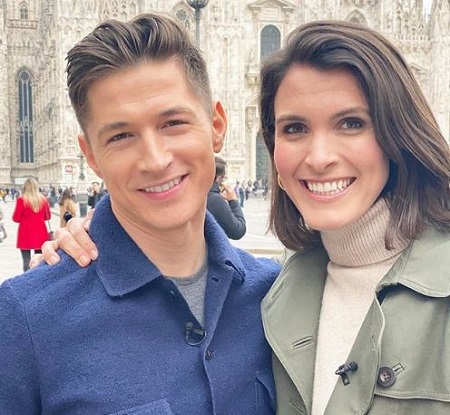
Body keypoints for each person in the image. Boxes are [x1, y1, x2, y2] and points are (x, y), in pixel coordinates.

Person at [0, 13, 280, 415]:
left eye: (173, 122)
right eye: (121, 136)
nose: (155, 159)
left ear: (217, 125)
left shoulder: (275, 295)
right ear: (91, 155)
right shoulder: (27, 318)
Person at [259, 20, 450, 414]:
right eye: (294, 128)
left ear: (398, 134)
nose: (319, 158)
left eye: (351, 124)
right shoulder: (274, 291)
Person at [11, 177, 51, 271]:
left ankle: (27, 277)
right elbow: (48, 217)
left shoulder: (21, 200)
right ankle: (39, 276)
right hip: (40, 232)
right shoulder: (43, 200)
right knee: (40, 259)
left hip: (25, 233)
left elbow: (16, 218)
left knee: (26, 260)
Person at [206, 156, 246, 239]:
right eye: (224, 178)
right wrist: (233, 201)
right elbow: (238, 231)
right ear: (218, 178)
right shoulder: (214, 199)